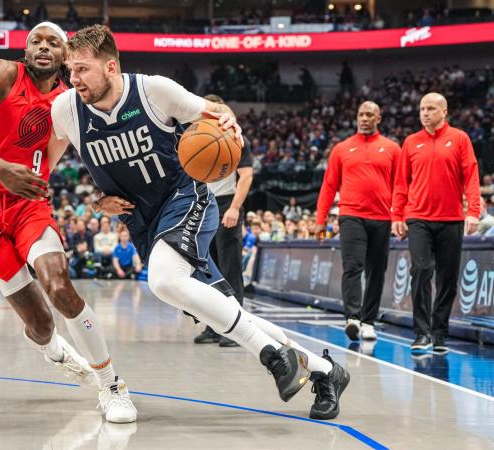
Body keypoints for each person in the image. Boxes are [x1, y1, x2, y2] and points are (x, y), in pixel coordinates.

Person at [49, 24, 349, 420]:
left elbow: (217, 114)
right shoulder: (65, 108)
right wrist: (98, 200)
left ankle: (273, 356)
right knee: (220, 310)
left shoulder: (154, 90)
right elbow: (46, 166)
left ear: (109, 67)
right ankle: (327, 371)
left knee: (162, 281)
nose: (73, 79)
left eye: (82, 69)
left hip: (184, 198)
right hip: (140, 221)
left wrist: (230, 126)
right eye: (70, 69)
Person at [0, 22, 136, 423]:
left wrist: (100, 194)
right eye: (35, 41)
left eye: (53, 42)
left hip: (27, 203)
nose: (43, 47)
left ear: (64, 56)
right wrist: (0, 168)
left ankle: (111, 385)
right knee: (40, 324)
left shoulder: (67, 101)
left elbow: (78, 152)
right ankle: (55, 350)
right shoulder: (2, 75)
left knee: (58, 284)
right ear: (25, 52)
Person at [391, 92, 481, 355]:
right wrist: (397, 215)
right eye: (422, 108)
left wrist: (473, 210)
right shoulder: (411, 142)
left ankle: (439, 332)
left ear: (444, 111)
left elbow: (471, 176)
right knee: (420, 270)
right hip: (418, 218)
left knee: (448, 279)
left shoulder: (460, 139)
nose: (425, 113)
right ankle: (422, 333)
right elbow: (400, 182)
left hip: (451, 218)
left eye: (431, 108)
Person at [314, 101, 400, 342]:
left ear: (378, 118)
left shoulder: (392, 149)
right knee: (352, 267)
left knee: (377, 271)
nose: (364, 118)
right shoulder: (342, 148)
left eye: (369, 115)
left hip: (382, 217)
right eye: (361, 114)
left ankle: (369, 321)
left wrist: (400, 216)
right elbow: (329, 185)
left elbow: (401, 185)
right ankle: (352, 318)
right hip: (351, 215)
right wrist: (320, 220)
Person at [194, 94, 254, 348]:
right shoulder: (196, 138)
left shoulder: (237, 138)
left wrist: (235, 208)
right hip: (203, 205)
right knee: (209, 270)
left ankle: (237, 329)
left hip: (227, 204)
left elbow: (247, 176)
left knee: (230, 268)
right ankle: (214, 325)